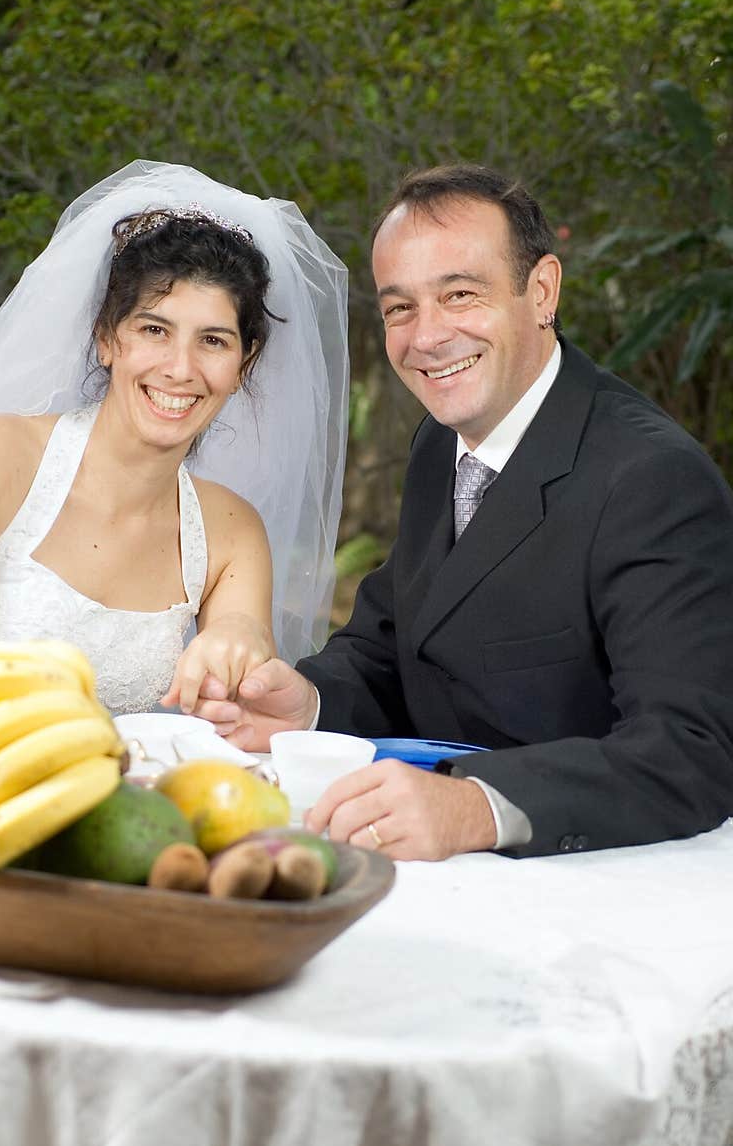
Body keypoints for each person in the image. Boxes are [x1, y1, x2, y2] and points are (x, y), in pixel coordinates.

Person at [193, 162, 733, 861]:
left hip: (594, 879)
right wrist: (310, 704)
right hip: (430, 860)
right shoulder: (438, 441)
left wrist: (478, 807)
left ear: (541, 291)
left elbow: (692, 750)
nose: (427, 336)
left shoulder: (653, 478)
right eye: (400, 308)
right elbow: (397, 641)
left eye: (459, 294)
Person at [0, 161, 349, 722]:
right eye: (154, 330)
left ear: (243, 364)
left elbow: (244, 673)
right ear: (108, 337)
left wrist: (238, 637)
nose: (180, 369)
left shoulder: (232, 532)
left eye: (213, 341)